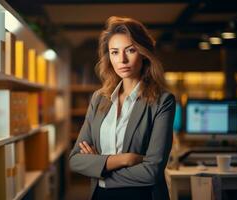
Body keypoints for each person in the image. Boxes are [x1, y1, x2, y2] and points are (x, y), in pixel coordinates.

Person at [69, 16, 176, 200]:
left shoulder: (163, 101)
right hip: (99, 196)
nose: (122, 60)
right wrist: (125, 159)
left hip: (141, 196)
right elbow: (75, 160)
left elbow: (152, 171)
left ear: (143, 53)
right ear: (108, 57)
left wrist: (99, 166)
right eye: (114, 52)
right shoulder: (99, 99)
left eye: (130, 50)